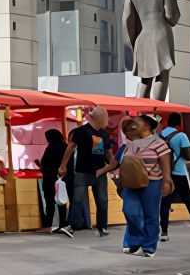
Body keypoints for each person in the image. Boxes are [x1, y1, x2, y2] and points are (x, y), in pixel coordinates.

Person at [118, 116, 173, 257]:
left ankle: (149, 245)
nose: (131, 127)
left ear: (147, 125)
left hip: (152, 181)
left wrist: (166, 181)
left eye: (135, 123)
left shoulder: (159, 143)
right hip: (131, 183)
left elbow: (165, 164)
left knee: (151, 214)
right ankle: (136, 239)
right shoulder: (129, 143)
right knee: (130, 210)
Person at [61, 106, 117, 236]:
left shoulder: (104, 134)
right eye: (106, 117)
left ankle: (102, 227)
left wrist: (113, 165)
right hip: (82, 170)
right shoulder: (81, 131)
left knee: (102, 200)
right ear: (99, 118)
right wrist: (63, 166)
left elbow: (108, 153)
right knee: (77, 199)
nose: (107, 121)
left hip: (100, 171)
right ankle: (71, 226)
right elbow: (70, 148)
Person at [157, 115, 190, 241]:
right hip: (179, 173)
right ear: (179, 123)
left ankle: (164, 233)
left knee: (165, 202)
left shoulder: (159, 135)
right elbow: (188, 155)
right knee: (189, 201)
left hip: (164, 173)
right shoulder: (181, 136)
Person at [39, 128, 71, 235]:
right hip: (62, 180)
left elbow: (45, 163)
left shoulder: (51, 148)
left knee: (49, 203)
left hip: (50, 179)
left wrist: (40, 166)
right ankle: (63, 225)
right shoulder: (66, 147)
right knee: (61, 202)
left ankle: (48, 225)